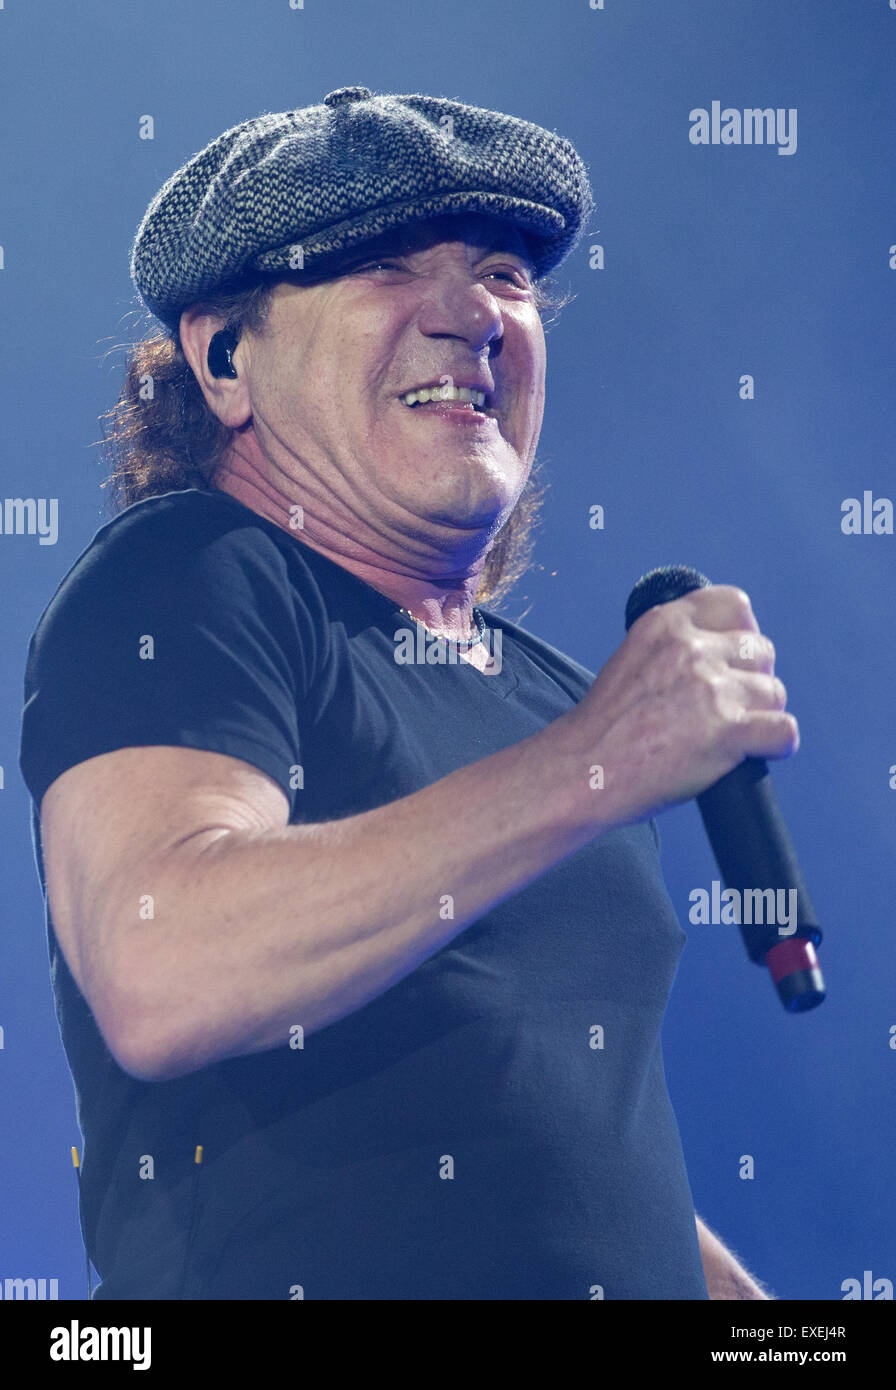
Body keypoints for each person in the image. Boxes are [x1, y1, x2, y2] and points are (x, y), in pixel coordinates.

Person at [19, 87, 795, 1299]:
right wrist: (597, 760)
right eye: (382, 264)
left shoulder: (546, 699)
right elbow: (160, 967)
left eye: (502, 272)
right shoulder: (193, 575)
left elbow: (564, 1148)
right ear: (225, 357)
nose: (470, 315)